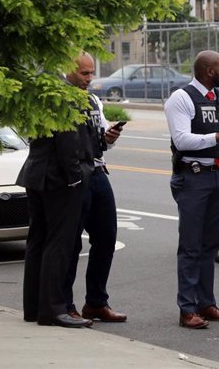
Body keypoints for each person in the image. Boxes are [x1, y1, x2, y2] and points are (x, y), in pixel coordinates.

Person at [165, 50, 219, 330]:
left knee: (211, 244)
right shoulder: (182, 98)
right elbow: (182, 140)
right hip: (194, 176)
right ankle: (187, 309)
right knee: (190, 245)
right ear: (209, 71)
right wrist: (217, 136)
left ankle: (206, 303)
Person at [17, 77, 94, 328]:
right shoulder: (66, 95)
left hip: (37, 175)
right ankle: (52, 310)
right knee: (58, 243)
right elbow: (68, 140)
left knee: (37, 241)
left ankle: (34, 307)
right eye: (85, 72)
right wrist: (74, 178)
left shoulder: (40, 91)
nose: (89, 78)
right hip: (58, 180)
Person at [63, 52, 127, 324]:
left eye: (91, 73)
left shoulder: (93, 100)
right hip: (76, 175)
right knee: (70, 243)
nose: (90, 79)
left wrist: (109, 136)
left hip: (98, 171)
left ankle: (96, 302)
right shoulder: (59, 99)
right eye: (84, 73)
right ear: (68, 70)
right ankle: (65, 304)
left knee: (106, 237)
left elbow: (101, 141)